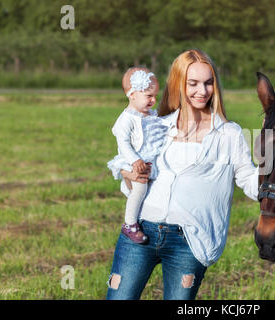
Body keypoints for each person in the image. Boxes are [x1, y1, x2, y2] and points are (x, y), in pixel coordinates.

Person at [106, 49, 259, 300]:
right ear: (179, 84)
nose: (203, 90)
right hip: (141, 230)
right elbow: (132, 177)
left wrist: (272, 157)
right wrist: (128, 173)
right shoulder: (157, 125)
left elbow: (250, 182)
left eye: (209, 83)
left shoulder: (229, 134)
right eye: (193, 83)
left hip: (188, 240)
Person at [107, 66, 168, 244]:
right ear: (132, 94)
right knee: (140, 188)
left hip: (148, 159)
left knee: (150, 188)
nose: (153, 100)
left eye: (155, 95)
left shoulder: (149, 115)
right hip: (131, 160)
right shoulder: (126, 119)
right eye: (149, 96)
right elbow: (123, 143)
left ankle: (133, 196)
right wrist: (135, 160)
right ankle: (130, 224)